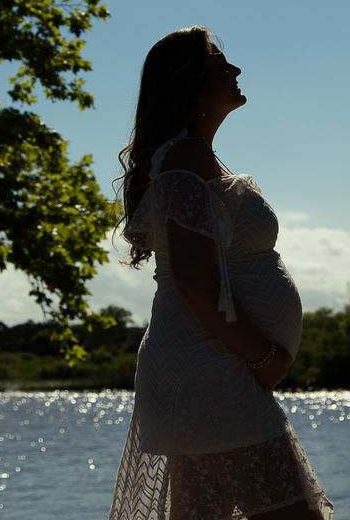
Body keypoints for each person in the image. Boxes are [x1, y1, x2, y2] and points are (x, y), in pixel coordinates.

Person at [109, 26, 333, 520]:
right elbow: (191, 278)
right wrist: (266, 356)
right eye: (220, 63)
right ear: (191, 81)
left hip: (202, 367)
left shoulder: (191, 158)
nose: (235, 70)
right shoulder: (185, 159)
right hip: (212, 369)